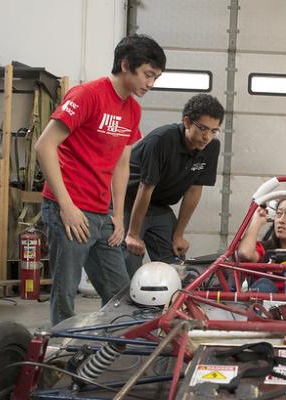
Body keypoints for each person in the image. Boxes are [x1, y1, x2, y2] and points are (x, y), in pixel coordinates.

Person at [36, 35, 166, 325]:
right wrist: (66, 208)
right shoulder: (87, 95)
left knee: (119, 292)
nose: (150, 84)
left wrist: (118, 216)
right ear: (125, 65)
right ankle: (62, 354)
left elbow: (122, 165)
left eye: (155, 77)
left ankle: (112, 355)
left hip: (102, 213)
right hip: (68, 209)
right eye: (147, 75)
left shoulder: (133, 109)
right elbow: (44, 146)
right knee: (65, 293)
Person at [123, 94, 225, 275]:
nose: (207, 136)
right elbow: (145, 188)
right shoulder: (161, 140)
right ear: (187, 122)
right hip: (129, 203)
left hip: (160, 206)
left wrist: (179, 235)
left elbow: (194, 191)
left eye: (213, 130)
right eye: (202, 128)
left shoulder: (211, 147)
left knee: (175, 266)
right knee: (129, 261)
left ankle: (168, 303)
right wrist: (133, 234)